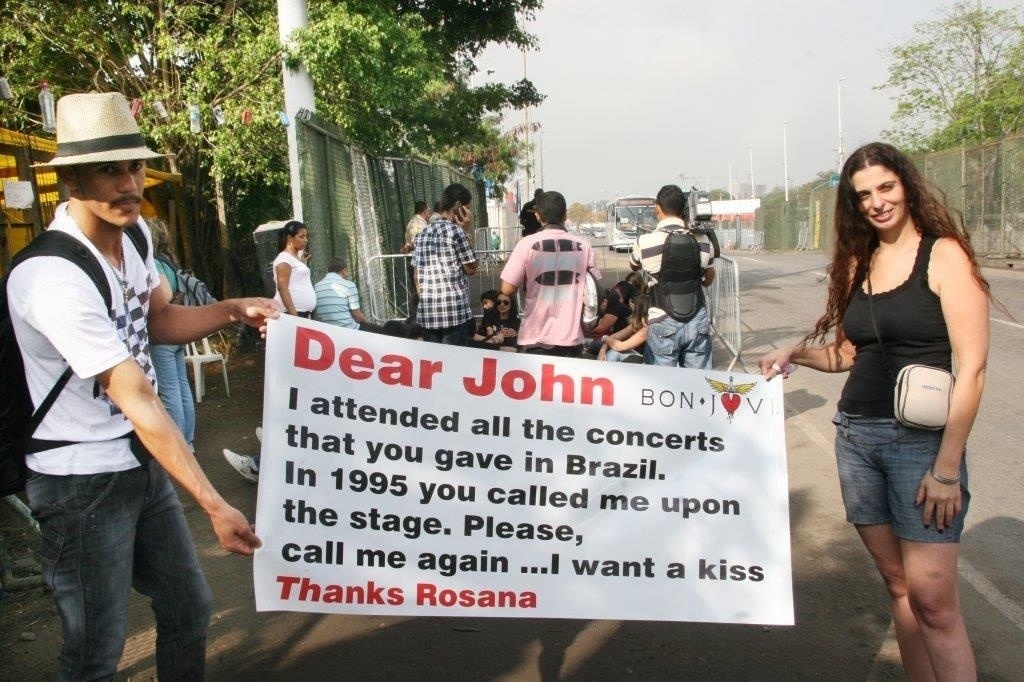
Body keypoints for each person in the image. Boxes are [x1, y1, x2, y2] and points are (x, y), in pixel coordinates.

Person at [9, 91, 277, 680]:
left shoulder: (135, 239)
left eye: (134, 166)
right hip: (80, 483)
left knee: (189, 607)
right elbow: (136, 395)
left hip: (138, 464)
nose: (130, 183)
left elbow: (160, 322)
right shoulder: (50, 275)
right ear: (71, 182)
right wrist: (215, 503)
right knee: (94, 650)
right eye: (110, 170)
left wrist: (232, 309)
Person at [759, 142, 996, 680]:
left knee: (935, 605)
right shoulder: (857, 262)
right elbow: (847, 353)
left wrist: (947, 468)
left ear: (906, 185)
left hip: (921, 448)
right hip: (856, 440)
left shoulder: (944, 254)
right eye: (863, 194)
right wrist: (794, 351)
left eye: (885, 187)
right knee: (899, 589)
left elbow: (973, 367)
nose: (877, 202)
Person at [500, 190, 601, 357]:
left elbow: (507, 288)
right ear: (565, 215)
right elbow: (595, 288)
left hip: (534, 338)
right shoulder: (585, 246)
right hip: (571, 339)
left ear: (538, 216)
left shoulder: (525, 244)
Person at [631, 184, 715, 369]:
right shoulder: (703, 240)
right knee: (697, 386)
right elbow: (709, 279)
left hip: (662, 319)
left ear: (657, 207)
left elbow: (633, 265)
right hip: (697, 320)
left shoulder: (643, 242)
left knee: (662, 388)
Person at [148, 217, 196, 449]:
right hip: (178, 332)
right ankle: (188, 440)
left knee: (169, 391)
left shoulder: (154, 263)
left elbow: (165, 294)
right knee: (181, 385)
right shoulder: (170, 261)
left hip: (164, 334)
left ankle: (178, 446)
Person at [411, 183, 478, 345]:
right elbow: (471, 268)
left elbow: (416, 274)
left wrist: (426, 298)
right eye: (467, 208)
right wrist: (467, 230)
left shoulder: (422, 234)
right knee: (455, 364)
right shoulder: (456, 232)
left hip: (428, 312)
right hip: (453, 312)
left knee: (435, 365)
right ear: (458, 207)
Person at [314, 257, 379, 332]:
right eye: (347, 271)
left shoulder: (316, 286)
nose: (347, 275)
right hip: (348, 330)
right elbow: (358, 317)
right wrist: (365, 319)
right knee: (380, 330)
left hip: (326, 331)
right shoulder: (348, 285)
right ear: (344, 270)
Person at [273, 220, 315, 317]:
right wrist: (294, 316)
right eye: (301, 237)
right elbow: (282, 287)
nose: (306, 240)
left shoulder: (293, 259)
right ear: (289, 238)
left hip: (299, 314)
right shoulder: (284, 258)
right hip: (291, 314)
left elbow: (296, 278)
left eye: (306, 236)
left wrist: (303, 262)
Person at [597, 294, 650, 362]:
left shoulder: (646, 329)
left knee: (612, 353)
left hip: (643, 361)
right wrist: (602, 350)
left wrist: (604, 337)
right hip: (633, 355)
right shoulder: (637, 324)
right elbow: (614, 337)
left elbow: (620, 346)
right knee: (607, 351)